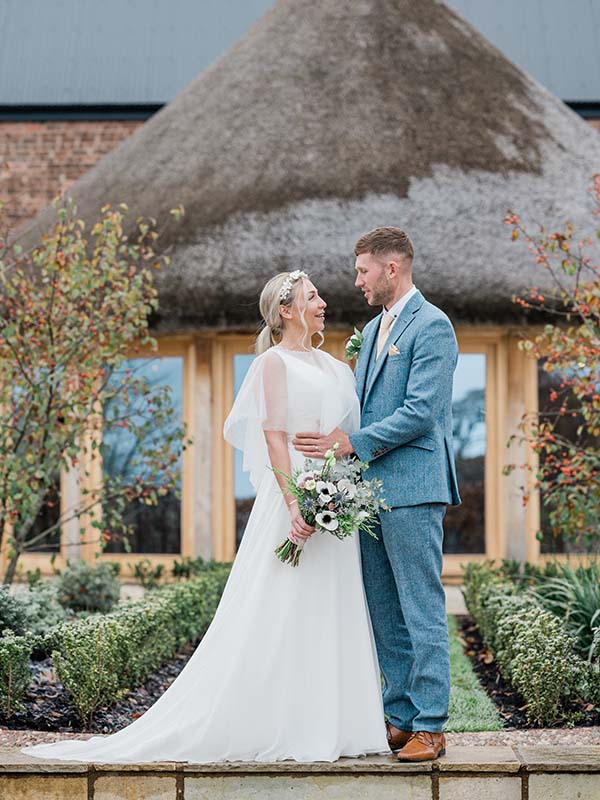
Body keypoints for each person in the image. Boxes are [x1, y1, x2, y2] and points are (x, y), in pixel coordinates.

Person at [22, 270, 388, 764]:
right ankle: (273, 722)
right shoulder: (272, 365)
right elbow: (275, 437)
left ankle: (333, 723)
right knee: (279, 605)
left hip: (336, 492)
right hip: (293, 495)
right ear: (286, 310)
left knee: (333, 603)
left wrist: (341, 493)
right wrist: (295, 504)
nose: (323, 301)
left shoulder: (335, 366)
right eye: (312, 296)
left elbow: (346, 436)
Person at [294, 228, 461, 762]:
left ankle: (432, 726)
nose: (357, 280)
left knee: (421, 606)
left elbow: (422, 413)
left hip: (412, 488)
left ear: (393, 268)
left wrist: (351, 443)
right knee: (383, 608)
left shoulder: (432, 326)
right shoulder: (370, 330)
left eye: (363, 270)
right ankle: (401, 716)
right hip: (367, 492)